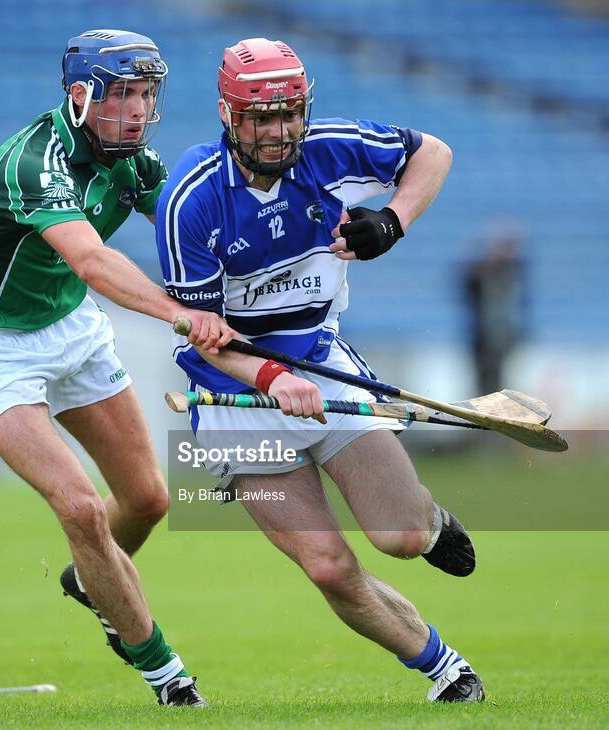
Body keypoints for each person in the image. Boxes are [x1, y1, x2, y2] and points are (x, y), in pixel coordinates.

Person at [156, 38, 484, 702]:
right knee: (330, 568)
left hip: (326, 371)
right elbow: (203, 336)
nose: (279, 131)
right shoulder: (192, 200)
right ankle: (445, 670)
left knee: (400, 535)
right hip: (235, 398)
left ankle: (430, 522)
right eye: (260, 117)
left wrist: (392, 221)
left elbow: (433, 153)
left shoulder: (333, 148)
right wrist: (273, 381)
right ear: (227, 114)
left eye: (290, 113)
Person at [0, 29, 235, 707]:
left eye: (145, 95)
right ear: (79, 96)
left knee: (148, 500)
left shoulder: (136, 161)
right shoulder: (35, 160)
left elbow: (195, 228)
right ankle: (167, 676)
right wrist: (183, 315)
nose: (134, 110)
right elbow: (93, 262)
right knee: (80, 506)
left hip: (69, 326)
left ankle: (89, 579)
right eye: (121, 94)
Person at [462, 220, 527, 395]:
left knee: (499, 382)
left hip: (501, 336)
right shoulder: (482, 271)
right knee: (485, 381)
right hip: (485, 336)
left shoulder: (512, 270)